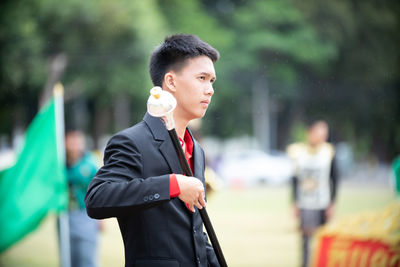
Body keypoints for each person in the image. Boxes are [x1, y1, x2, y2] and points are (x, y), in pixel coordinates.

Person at [85, 34, 220, 267]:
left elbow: (196, 231)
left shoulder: (196, 150)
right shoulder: (131, 142)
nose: (210, 90)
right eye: (202, 78)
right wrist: (173, 185)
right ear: (171, 81)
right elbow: (97, 199)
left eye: (212, 81)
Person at [286, 120, 338, 267]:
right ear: (310, 132)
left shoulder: (328, 152)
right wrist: (294, 202)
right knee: (306, 241)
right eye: (319, 133)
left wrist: (332, 202)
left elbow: (335, 178)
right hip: (305, 203)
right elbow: (294, 180)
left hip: (323, 201)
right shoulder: (299, 152)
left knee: (325, 240)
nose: (322, 137)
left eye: (324, 134)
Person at [65, 129, 100, 267]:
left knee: (86, 258)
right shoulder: (59, 165)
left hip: (85, 215)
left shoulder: (89, 164)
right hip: (65, 215)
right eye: (71, 140)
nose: (74, 144)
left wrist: (100, 219)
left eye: (77, 140)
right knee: (68, 257)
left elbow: (98, 192)